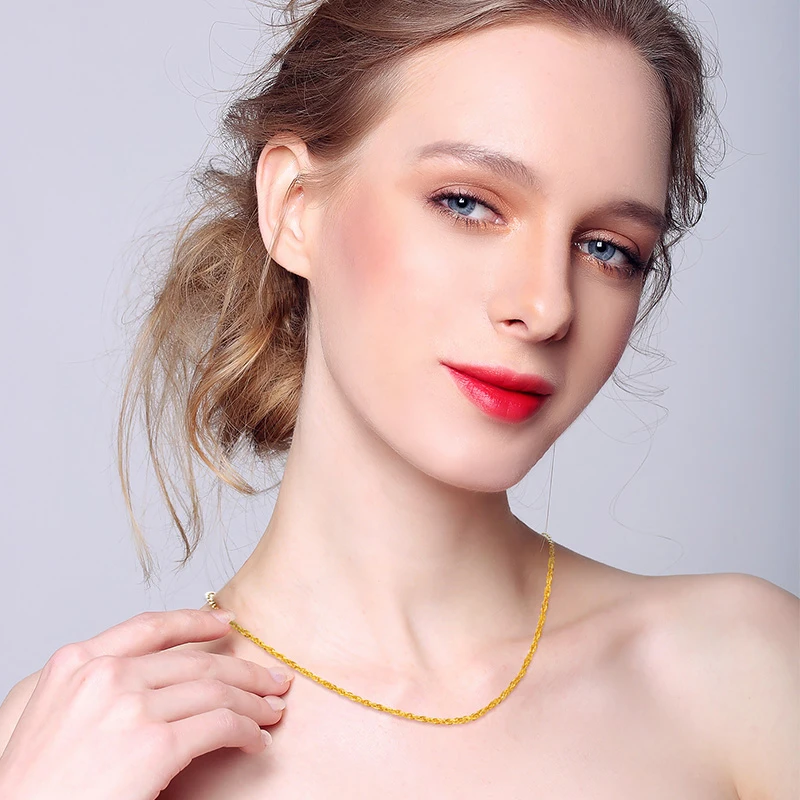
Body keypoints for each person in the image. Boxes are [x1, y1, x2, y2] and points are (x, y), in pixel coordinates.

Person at [0, 0, 797, 797]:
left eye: (606, 249)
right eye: (467, 203)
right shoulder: (78, 744)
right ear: (295, 206)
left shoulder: (747, 674)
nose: (547, 306)